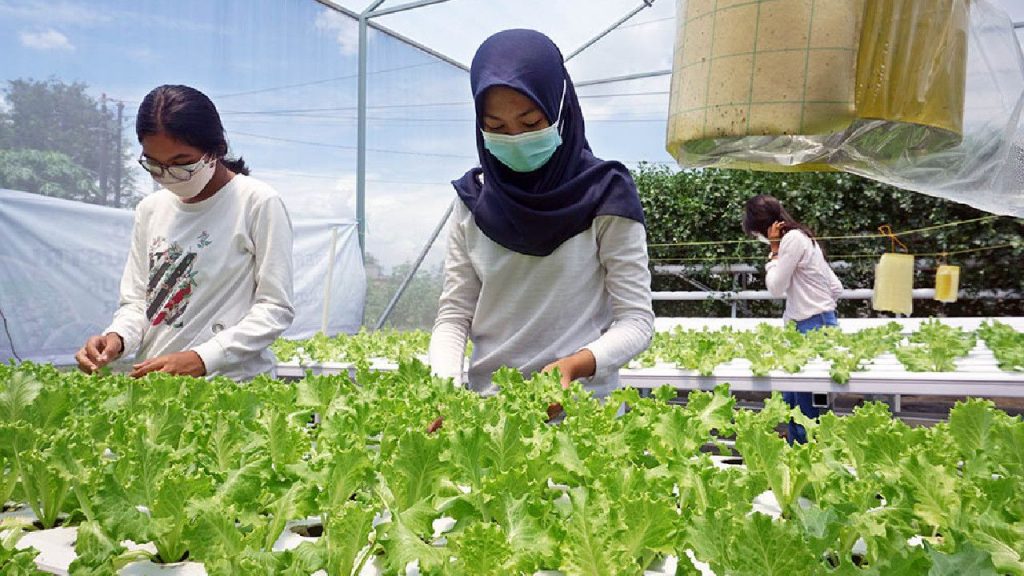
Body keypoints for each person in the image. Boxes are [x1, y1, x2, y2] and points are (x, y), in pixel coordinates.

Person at [428, 29, 654, 397]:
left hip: (585, 415)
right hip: (492, 415)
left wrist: (576, 365)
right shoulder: (473, 199)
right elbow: (454, 316)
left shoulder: (605, 191)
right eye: (496, 127)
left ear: (559, 107)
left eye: (531, 123)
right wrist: (444, 388)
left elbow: (636, 321)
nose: (515, 137)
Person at [75, 84, 294, 380]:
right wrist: (117, 338)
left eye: (181, 163)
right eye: (154, 165)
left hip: (234, 388)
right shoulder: (150, 209)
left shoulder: (256, 202)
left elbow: (274, 307)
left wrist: (204, 358)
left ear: (216, 149)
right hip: (156, 386)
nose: (167, 176)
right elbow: (139, 302)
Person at [743, 194, 843, 443]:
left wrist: (774, 254)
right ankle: (801, 466)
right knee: (795, 403)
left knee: (804, 409)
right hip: (818, 322)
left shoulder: (790, 241)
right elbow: (836, 287)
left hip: (810, 326)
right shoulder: (807, 239)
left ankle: (807, 468)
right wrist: (820, 306)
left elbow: (776, 288)